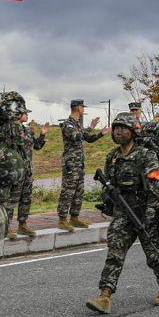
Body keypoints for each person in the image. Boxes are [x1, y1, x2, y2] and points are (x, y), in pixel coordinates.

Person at [86, 113, 159, 313]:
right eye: (116, 128)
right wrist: (108, 197)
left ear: (133, 132)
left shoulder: (146, 155)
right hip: (123, 211)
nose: (118, 132)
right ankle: (105, 296)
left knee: (153, 254)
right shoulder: (113, 157)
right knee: (115, 252)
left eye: (123, 128)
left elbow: (155, 188)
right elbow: (107, 183)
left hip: (145, 211)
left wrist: (149, 216)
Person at [57, 99, 103, 231]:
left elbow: (88, 138)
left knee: (79, 192)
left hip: (79, 165)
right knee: (68, 191)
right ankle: (62, 219)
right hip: (70, 165)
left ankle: (74, 217)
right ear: (78, 108)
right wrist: (91, 127)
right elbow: (76, 136)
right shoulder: (68, 124)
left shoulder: (77, 124)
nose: (84, 110)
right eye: (83, 107)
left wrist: (101, 134)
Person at [10, 109, 48, 237]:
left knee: (26, 199)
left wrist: (42, 135)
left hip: (27, 172)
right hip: (16, 171)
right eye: (25, 113)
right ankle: (6, 227)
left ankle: (22, 224)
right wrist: (32, 132)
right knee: (12, 199)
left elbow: (36, 146)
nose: (27, 115)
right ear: (17, 114)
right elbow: (21, 142)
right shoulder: (12, 129)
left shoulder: (26, 131)